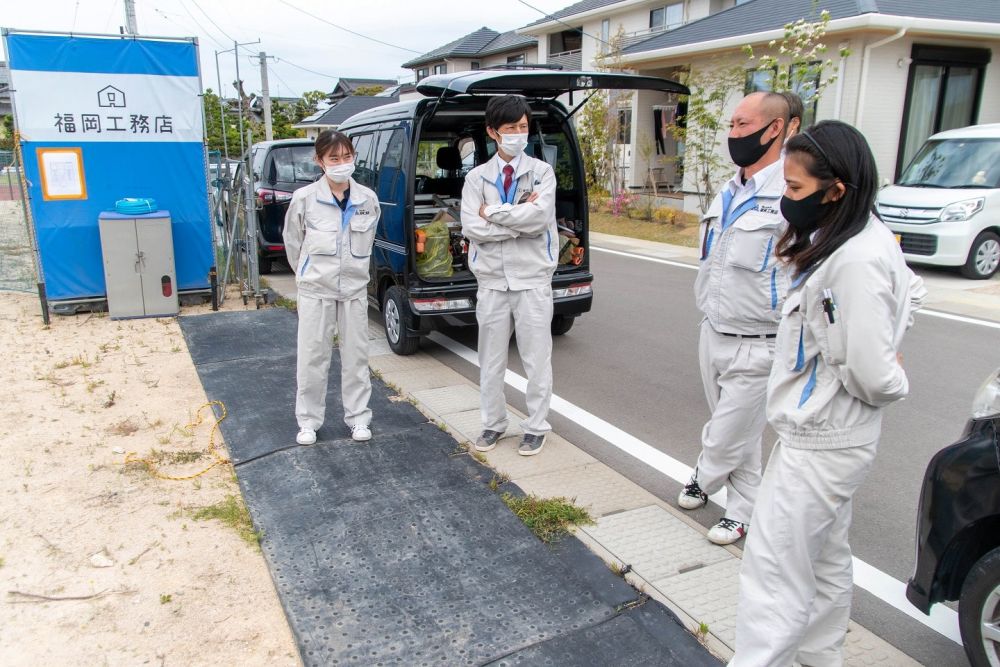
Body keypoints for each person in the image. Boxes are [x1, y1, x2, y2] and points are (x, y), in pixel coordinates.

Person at [729, 120, 926, 666]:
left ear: (837, 188)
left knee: (774, 575)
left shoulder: (853, 261)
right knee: (823, 565)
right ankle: (821, 660)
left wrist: (892, 369)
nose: (787, 199)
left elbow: (874, 373)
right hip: (832, 437)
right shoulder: (858, 236)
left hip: (822, 441)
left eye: (795, 189)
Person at [681, 91, 791, 545]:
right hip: (714, 329)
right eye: (731, 125)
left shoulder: (791, 193)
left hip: (760, 339)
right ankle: (741, 510)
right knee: (741, 433)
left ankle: (704, 476)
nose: (733, 134)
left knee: (728, 435)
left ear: (775, 129)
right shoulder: (729, 189)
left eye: (743, 126)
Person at [460, 94, 558, 457]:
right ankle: (493, 423)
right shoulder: (476, 178)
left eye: (523, 127)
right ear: (492, 132)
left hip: (532, 278)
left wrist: (493, 213)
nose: (518, 134)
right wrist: (516, 217)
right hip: (491, 281)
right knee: (491, 358)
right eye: (510, 129)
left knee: (537, 358)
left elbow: (539, 219)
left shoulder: (542, 172)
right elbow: (472, 226)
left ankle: (535, 426)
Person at [283, 130, 380, 445]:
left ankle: (358, 418)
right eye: (334, 158)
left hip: (353, 292)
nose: (342, 164)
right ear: (320, 161)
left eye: (347, 157)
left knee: (357, 357)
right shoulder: (305, 198)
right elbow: (293, 242)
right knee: (312, 357)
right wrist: (307, 273)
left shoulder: (367, 199)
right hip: (316, 292)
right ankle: (308, 421)